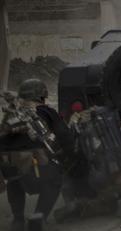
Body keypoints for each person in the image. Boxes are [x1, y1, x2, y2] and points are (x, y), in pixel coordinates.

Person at [0, 79, 74, 231]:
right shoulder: (46, 112)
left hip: (9, 168)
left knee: (15, 181)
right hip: (36, 168)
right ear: (41, 96)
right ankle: (39, 217)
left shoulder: (12, 116)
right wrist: (69, 157)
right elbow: (65, 137)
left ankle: (18, 220)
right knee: (54, 180)